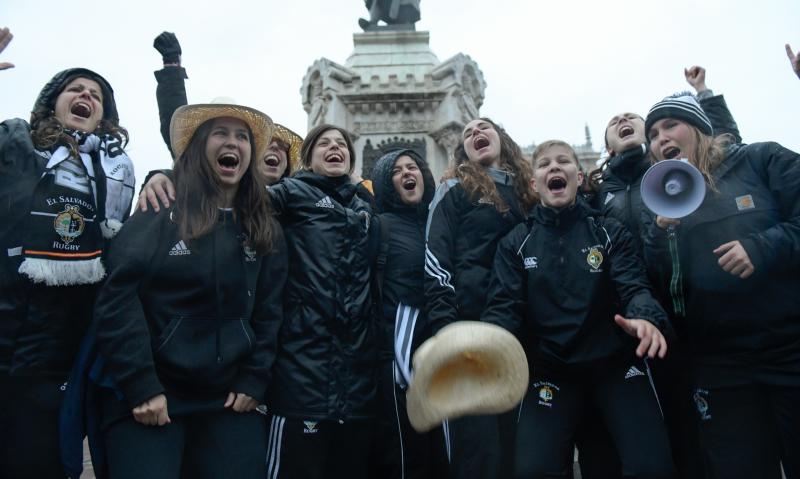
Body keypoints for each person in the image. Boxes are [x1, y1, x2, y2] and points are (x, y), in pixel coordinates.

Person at [93, 99, 287, 479]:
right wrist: (141, 385)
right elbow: (117, 296)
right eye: (220, 133)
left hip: (229, 400)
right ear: (199, 147)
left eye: (242, 137)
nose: (233, 143)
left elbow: (269, 311)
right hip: (152, 397)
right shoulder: (162, 207)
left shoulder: (265, 227)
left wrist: (254, 378)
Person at [581, 66, 740, 479]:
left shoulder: (678, 173)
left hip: (688, 308)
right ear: (607, 150)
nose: (622, 121)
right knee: (653, 423)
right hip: (631, 323)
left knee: (703, 421)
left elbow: (724, 147)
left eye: (633, 119)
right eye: (613, 123)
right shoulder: (598, 194)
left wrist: (705, 94)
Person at [483, 139, 675, 479]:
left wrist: (645, 318)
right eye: (544, 164)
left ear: (580, 176)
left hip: (615, 367)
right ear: (533, 182)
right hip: (551, 372)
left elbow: (633, 286)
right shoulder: (515, 241)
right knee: (533, 470)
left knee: (651, 467)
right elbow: (504, 307)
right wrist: (486, 346)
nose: (554, 168)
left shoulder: (608, 231)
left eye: (563, 162)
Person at [644, 92, 800, 479]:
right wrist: (659, 237)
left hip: (790, 351)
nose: (661, 138)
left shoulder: (762, 160)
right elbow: (661, 284)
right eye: (653, 134)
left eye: (670, 125)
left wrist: (763, 247)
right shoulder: (663, 204)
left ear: (698, 129)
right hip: (719, 366)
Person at [0, 68, 135, 478]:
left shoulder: (114, 172)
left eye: (95, 95)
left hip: (55, 354)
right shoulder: (14, 140)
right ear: (53, 102)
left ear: (103, 117)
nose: (85, 96)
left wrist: (161, 175)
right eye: (75, 89)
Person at [425, 117, 536, 478]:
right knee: (480, 448)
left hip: (528, 331)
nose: (475, 133)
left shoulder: (528, 194)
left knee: (525, 447)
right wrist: (447, 328)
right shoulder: (455, 189)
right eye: (468, 133)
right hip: (473, 331)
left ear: (501, 139)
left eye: (483, 128)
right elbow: (435, 258)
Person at [264, 124, 377, 479]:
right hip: (302, 368)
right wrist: (167, 175)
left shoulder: (365, 206)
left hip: (355, 375)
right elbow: (235, 197)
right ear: (309, 157)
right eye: (325, 144)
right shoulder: (292, 191)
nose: (335, 148)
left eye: (342, 144)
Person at [138, 32, 303, 212]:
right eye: (221, 133)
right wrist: (164, 176)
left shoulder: (298, 207)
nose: (232, 143)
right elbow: (173, 125)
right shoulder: (179, 191)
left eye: (283, 147)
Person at [367, 149, 447, 478]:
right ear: (387, 183)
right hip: (401, 340)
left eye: (412, 167)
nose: (406, 173)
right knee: (406, 440)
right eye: (397, 171)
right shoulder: (380, 225)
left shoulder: (437, 219)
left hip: (439, 336)